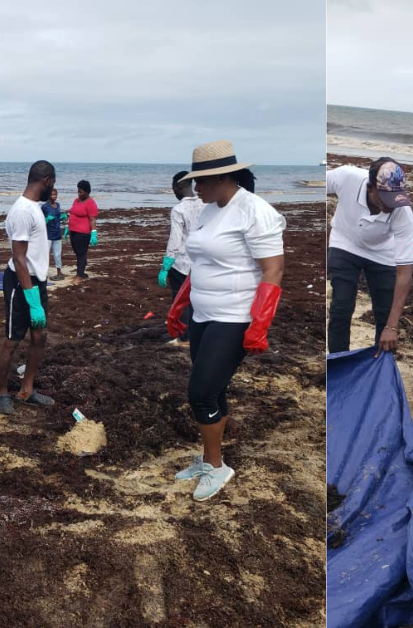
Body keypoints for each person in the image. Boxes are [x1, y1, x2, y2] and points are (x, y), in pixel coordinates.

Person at [166, 140, 285, 501]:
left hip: (234, 317)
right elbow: (200, 261)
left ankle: (217, 467)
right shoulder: (209, 208)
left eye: (200, 181)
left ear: (223, 177)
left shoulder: (254, 210)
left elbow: (273, 269)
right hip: (203, 314)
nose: (194, 187)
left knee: (200, 393)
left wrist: (260, 323)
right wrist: (179, 304)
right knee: (213, 390)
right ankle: (208, 457)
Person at [325, 157, 413, 356]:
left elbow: (404, 275)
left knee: (385, 313)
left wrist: (392, 327)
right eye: (385, 198)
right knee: (341, 307)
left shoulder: (402, 212)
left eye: (395, 198)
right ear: (370, 188)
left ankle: (380, 366)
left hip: (382, 253)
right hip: (344, 242)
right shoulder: (346, 177)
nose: (392, 205)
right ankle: (338, 362)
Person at [0, 160, 57, 415]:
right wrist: (31, 298)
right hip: (21, 285)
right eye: (52, 184)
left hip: (36, 282)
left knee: (39, 336)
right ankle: (1, 393)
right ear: (47, 181)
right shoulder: (22, 211)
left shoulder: (35, 208)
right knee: (12, 340)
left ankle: (27, 390)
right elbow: (19, 258)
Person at [160, 170, 205, 346]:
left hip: (181, 264)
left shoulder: (178, 209)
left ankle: (185, 337)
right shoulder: (205, 204)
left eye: (173, 188)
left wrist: (166, 264)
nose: (173, 191)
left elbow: (175, 239)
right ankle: (195, 332)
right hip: (200, 261)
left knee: (181, 300)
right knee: (197, 298)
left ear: (179, 186)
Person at [66, 180, 99, 278]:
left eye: (81, 192)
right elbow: (72, 213)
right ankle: (81, 271)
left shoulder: (91, 203)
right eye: (78, 191)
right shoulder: (76, 200)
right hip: (73, 231)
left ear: (87, 192)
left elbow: (92, 219)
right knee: (77, 252)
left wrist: (94, 233)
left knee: (81, 253)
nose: (79, 193)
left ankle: (80, 274)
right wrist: (68, 226)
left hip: (83, 233)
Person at [42, 188, 65, 281]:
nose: (54, 197)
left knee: (57, 254)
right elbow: (40, 219)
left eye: (55, 195)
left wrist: (62, 217)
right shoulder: (44, 207)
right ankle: (43, 273)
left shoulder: (58, 205)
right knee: (45, 254)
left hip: (57, 233)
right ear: (48, 196)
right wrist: (46, 220)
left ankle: (59, 272)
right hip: (47, 235)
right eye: (52, 195)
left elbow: (58, 217)